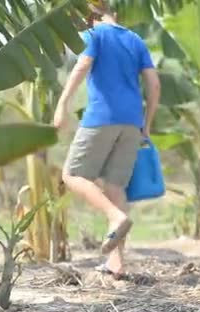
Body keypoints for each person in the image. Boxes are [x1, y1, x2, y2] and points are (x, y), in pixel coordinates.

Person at [53, 1, 161, 279]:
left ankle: (116, 217)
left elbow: (83, 65)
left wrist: (62, 105)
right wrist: (146, 124)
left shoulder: (95, 34)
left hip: (101, 117)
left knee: (72, 175)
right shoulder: (135, 40)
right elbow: (154, 84)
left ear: (90, 15)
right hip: (132, 122)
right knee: (115, 187)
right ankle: (117, 264)